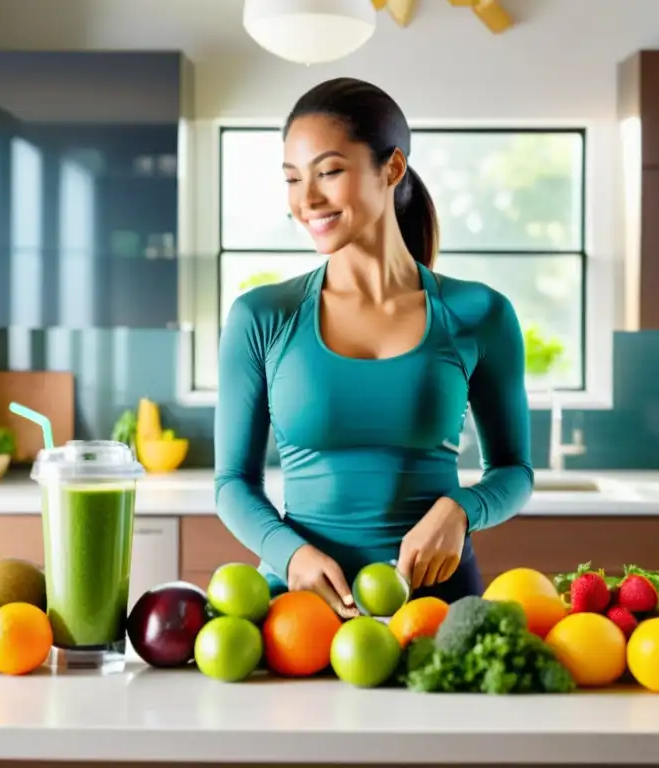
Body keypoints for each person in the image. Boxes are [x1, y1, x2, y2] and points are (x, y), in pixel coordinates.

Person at [213, 77, 533, 618]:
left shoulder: (480, 314)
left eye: (329, 171)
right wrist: (289, 555)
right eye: (293, 179)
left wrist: (461, 509)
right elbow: (232, 484)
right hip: (302, 613)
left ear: (392, 168)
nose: (306, 199)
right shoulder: (262, 316)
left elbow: (515, 471)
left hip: (437, 611)